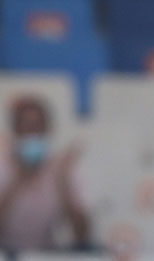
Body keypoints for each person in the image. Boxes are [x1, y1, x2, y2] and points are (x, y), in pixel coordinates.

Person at [0, 95, 89, 252]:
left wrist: (62, 183)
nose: (33, 133)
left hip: (46, 256)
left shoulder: (62, 168)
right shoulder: (3, 165)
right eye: (26, 127)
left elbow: (82, 234)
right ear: (15, 130)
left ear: (48, 129)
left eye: (38, 126)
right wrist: (17, 181)